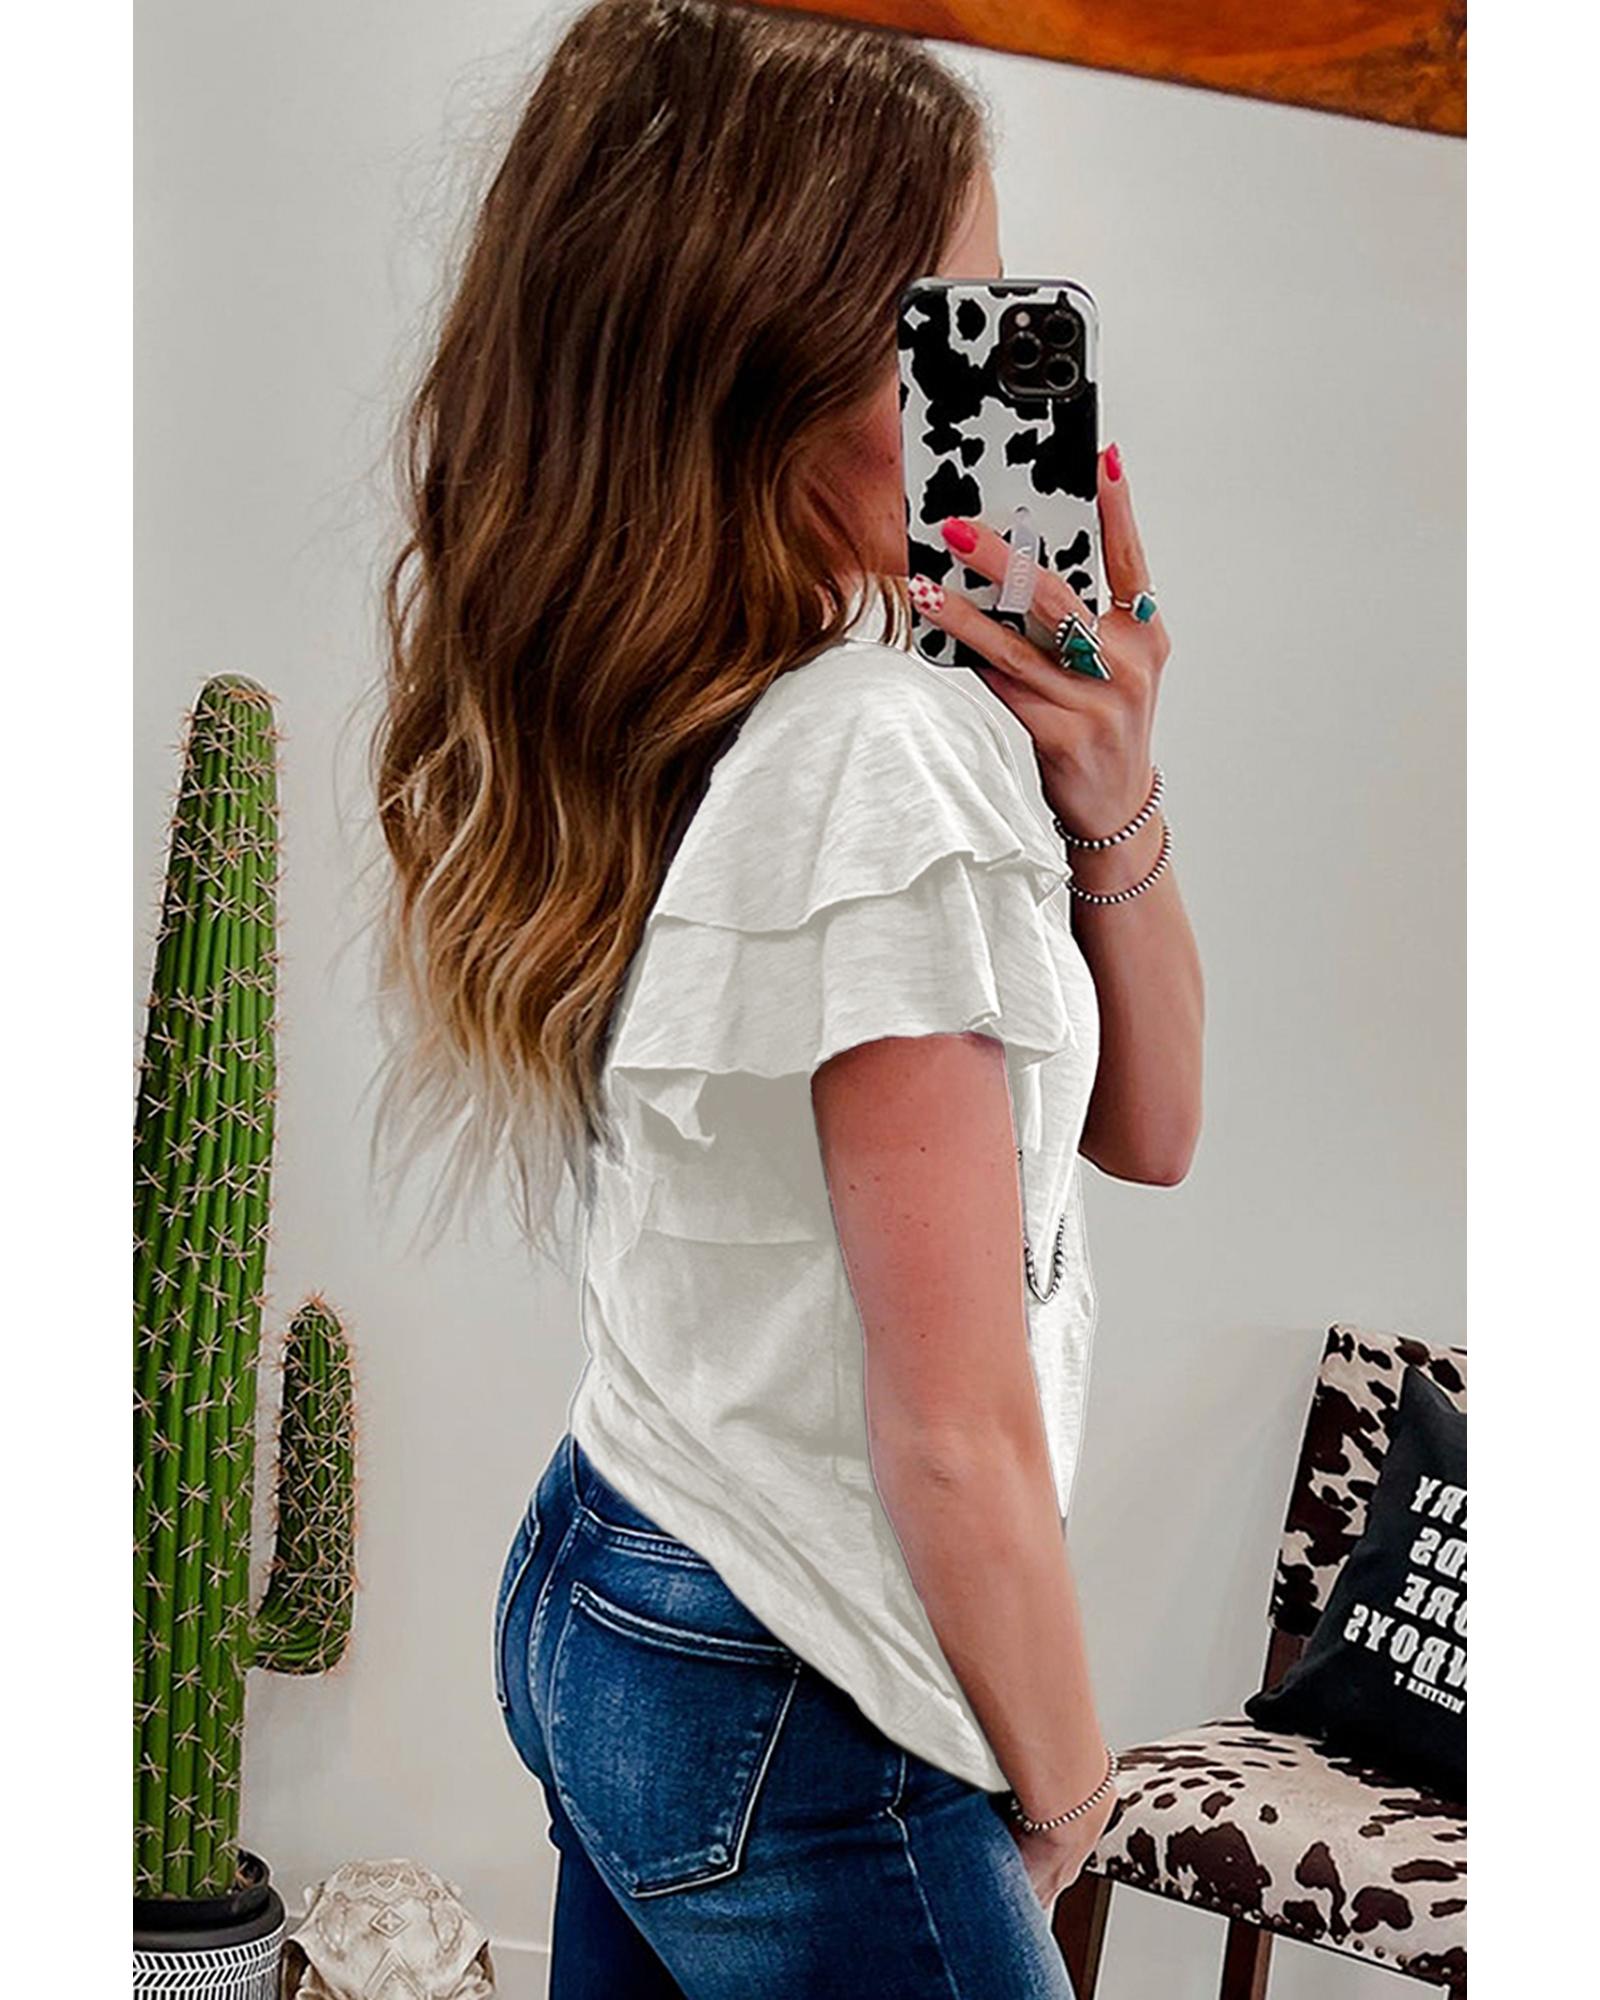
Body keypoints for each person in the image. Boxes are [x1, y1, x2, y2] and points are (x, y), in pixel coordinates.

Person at [370, 3, 1204, 1993]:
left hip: (615, 1566)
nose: (995, 374)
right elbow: (952, 1434)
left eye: (998, 306)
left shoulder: (747, 696)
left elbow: (1150, 1128)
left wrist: (1110, 775)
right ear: (768, 358)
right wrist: (1069, 1790)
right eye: (941, 319)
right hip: (797, 1681)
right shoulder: (874, 754)